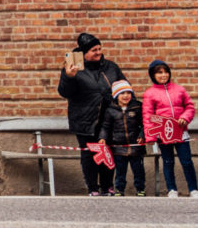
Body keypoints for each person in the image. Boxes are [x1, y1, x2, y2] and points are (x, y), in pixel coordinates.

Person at [57, 32, 120, 196]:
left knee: (108, 151)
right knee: (89, 154)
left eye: (99, 49)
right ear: (84, 53)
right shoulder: (73, 69)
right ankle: (93, 187)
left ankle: (107, 186)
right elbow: (65, 92)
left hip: (108, 118)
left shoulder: (110, 67)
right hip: (85, 119)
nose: (98, 52)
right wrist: (69, 77)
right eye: (94, 50)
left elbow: (123, 87)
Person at [143, 60, 198, 198]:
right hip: (163, 134)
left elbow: (189, 107)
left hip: (181, 132)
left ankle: (194, 189)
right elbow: (147, 116)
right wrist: (150, 136)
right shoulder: (149, 93)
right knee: (168, 162)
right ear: (153, 75)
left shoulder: (180, 89)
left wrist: (185, 117)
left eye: (166, 72)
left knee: (187, 161)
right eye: (159, 72)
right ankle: (172, 189)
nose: (163, 75)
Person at [97, 79, 146, 196]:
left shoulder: (137, 107)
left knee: (138, 170)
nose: (126, 96)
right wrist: (102, 138)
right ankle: (119, 189)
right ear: (116, 96)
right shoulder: (111, 110)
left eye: (128, 93)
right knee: (120, 171)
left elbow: (145, 124)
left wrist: (142, 135)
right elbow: (106, 126)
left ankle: (140, 189)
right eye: (122, 93)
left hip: (136, 146)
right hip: (118, 147)